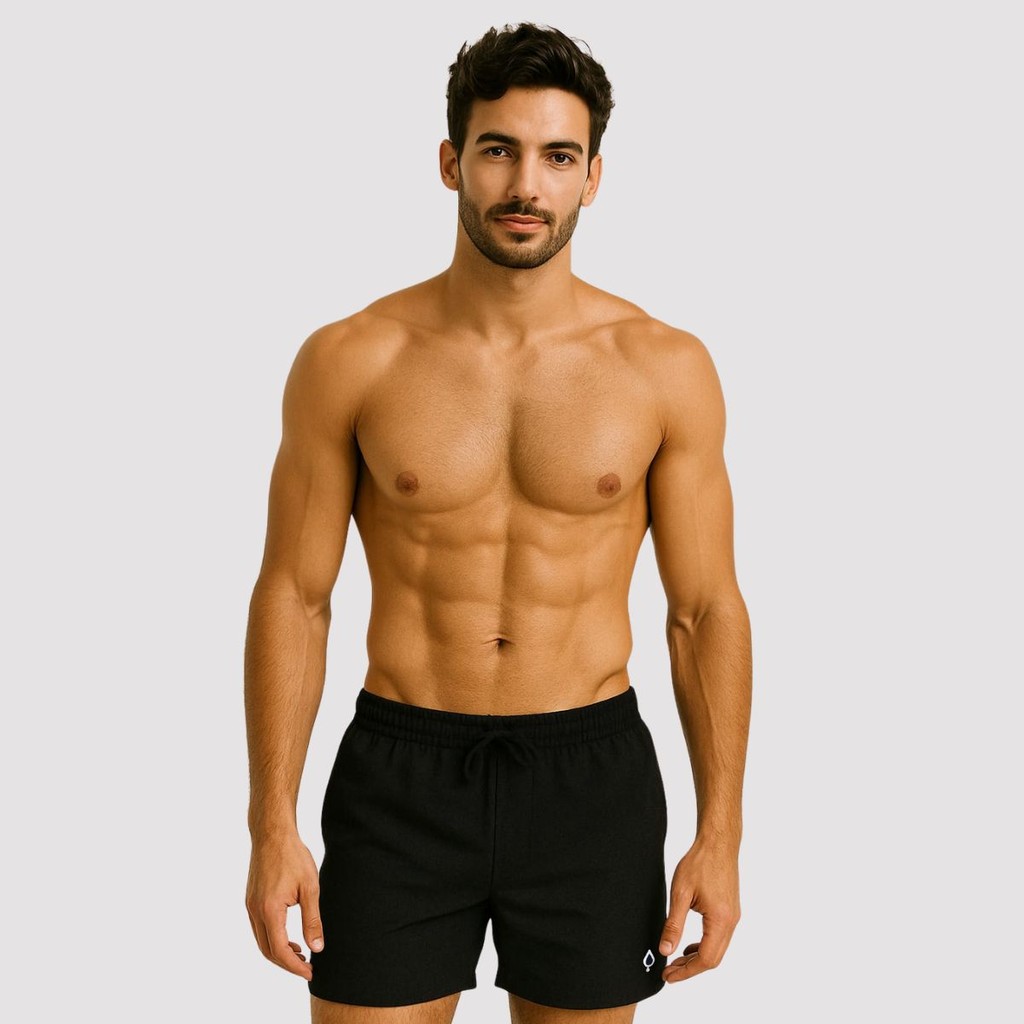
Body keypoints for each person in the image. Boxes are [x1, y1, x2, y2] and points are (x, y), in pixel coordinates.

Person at [244, 22, 751, 1024]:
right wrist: (271, 824)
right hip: (400, 776)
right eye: (498, 151)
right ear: (451, 162)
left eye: (558, 156)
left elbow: (703, 610)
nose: (526, 185)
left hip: (590, 782)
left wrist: (720, 835)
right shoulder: (352, 358)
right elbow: (294, 596)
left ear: (592, 177)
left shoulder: (663, 367)